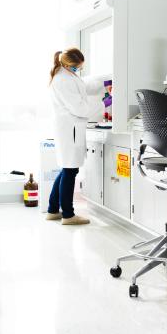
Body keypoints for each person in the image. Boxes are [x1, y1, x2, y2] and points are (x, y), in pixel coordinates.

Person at [47, 48, 111, 225]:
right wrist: (104, 102)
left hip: (69, 128)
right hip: (70, 129)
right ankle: (68, 215)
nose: (79, 71)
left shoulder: (66, 76)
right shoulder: (63, 80)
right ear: (68, 65)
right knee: (70, 170)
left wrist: (109, 79)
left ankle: (53, 209)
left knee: (67, 169)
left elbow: (85, 87)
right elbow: (79, 108)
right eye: (77, 68)